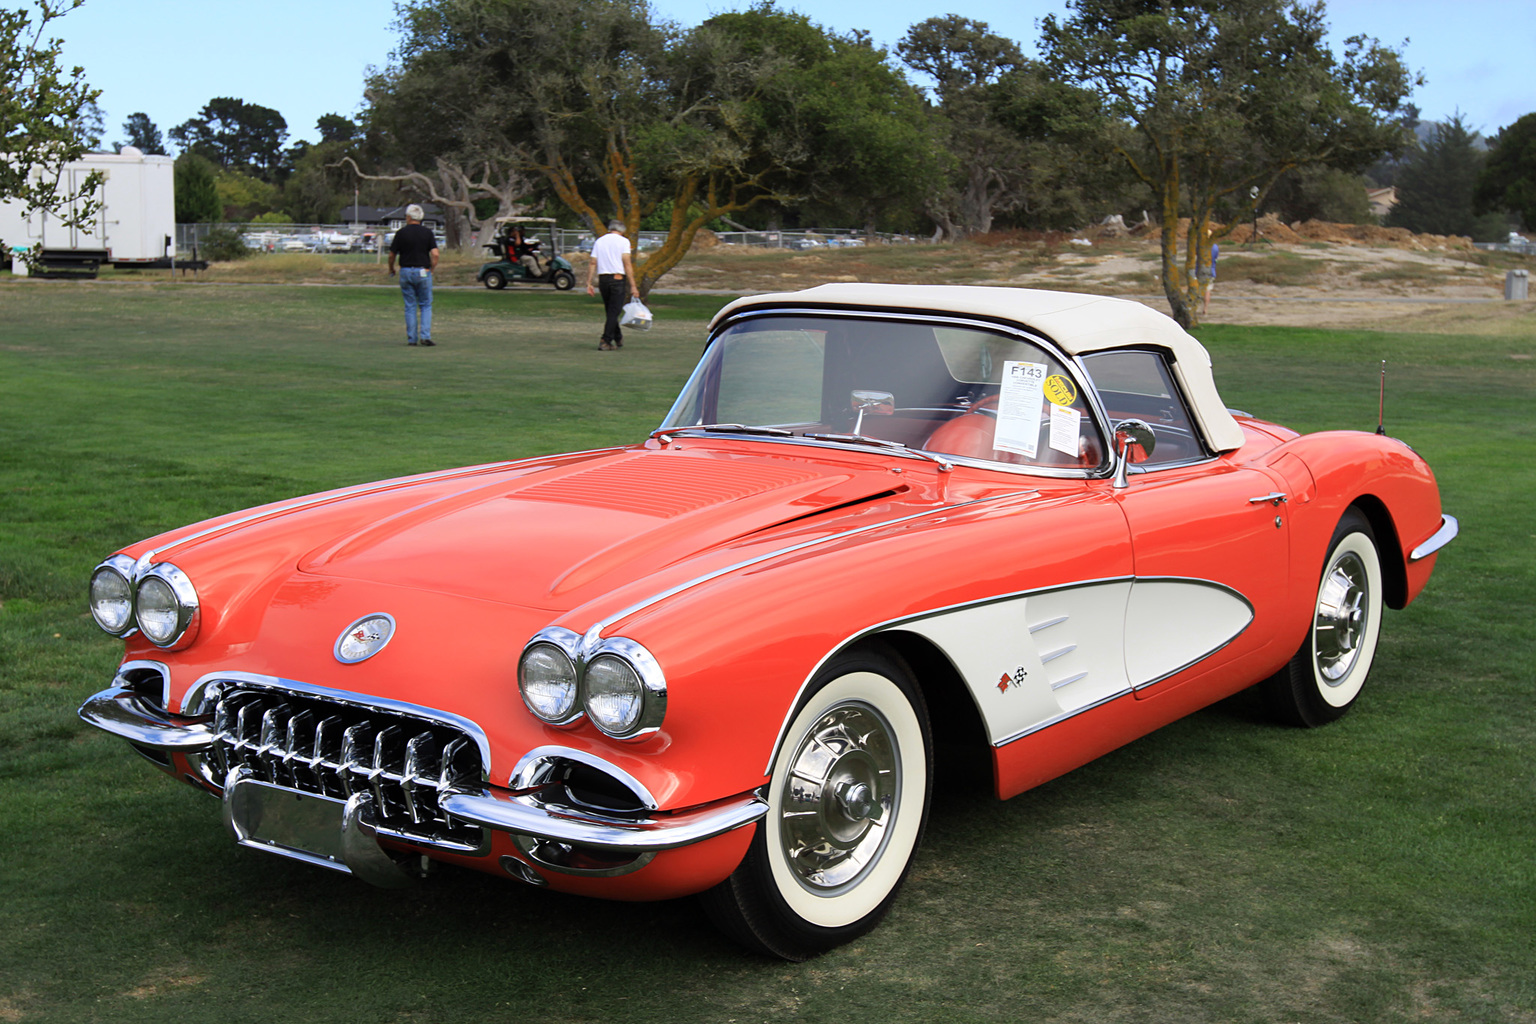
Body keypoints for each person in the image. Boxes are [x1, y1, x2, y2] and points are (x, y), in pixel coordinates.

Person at [388, 204, 439, 347]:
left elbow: (392, 254)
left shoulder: (401, 233)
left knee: (410, 306)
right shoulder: (427, 233)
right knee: (425, 305)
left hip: (405, 270)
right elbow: (435, 254)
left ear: (409, 217)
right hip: (423, 271)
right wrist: (432, 268)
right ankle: (425, 336)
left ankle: (411, 339)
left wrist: (391, 268)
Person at [585, 220, 638, 350]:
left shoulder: (600, 241)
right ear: (622, 230)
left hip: (603, 279)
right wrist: (633, 285)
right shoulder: (623, 242)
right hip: (617, 279)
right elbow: (627, 264)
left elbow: (592, 263)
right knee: (614, 312)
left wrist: (589, 282)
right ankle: (605, 340)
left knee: (610, 311)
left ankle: (618, 337)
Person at [1201, 240, 1219, 316]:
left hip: (1200, 270)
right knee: (1207, 290)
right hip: (1211, 271)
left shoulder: (1200, 246)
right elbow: (1216, 258)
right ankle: (1205, 308)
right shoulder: (1215, 247)